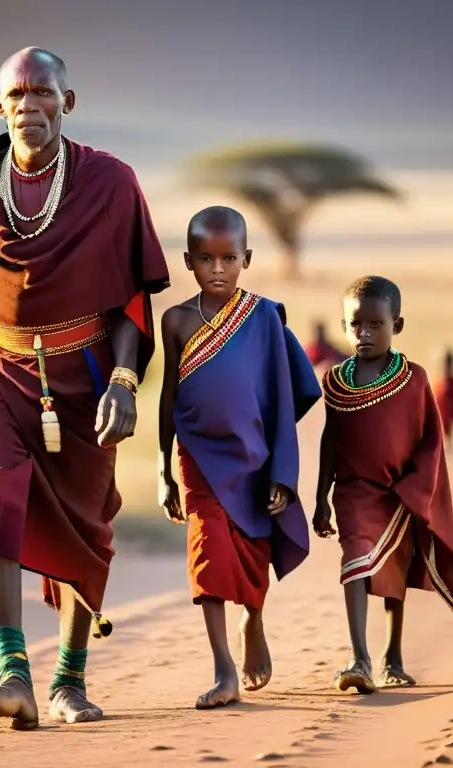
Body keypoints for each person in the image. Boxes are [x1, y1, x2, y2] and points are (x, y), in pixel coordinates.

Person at [0, 47, 170, 731]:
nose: (30, 105)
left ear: (68, 104)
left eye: (44, 93)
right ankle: (15, 672)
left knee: (88, 525)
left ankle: (70, 680)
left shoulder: (111, 183)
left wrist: (126, 383)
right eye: (17, 94)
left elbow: (131, 297)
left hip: (87, 376)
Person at [158, 206, 321, 709]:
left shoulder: (265, 317)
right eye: (206, 259)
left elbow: (284, 393)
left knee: (253, 551)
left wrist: (282, 472)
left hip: (254, 454)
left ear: (247, 258)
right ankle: (222, 668)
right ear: (188, 261)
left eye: (229, 257)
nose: (219, 269)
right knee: (207, 554)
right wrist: (163, 469)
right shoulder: (177, 321)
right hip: (198, 458)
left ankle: (253, 619)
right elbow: (168, 396)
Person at [312, 276, 453, 694]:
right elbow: (331, 440)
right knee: (355, 565)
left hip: (398, 494)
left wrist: (416, 489)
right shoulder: (335, 383)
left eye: (374, 324)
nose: (363, 333)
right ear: (343, 326)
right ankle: (359, 656)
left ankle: (393, 656)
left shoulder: (413, 379)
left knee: (392, 575)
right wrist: (320, 497)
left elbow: (430, 438)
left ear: (396, 326)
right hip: (351, 492)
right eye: (354, 324)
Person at [432, 347, 453, 451]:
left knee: (448, 426)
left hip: (450, 411)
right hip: (441, 410)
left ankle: (448, 441)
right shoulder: (438, 384)